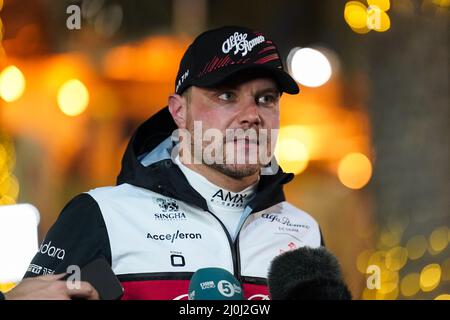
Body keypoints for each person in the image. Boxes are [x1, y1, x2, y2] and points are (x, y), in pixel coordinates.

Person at [9, 25, 324, 300]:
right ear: (179, 112)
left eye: (266, 99)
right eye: (226, 96)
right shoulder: (102, 215)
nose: (252, 115)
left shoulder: (304, 230)